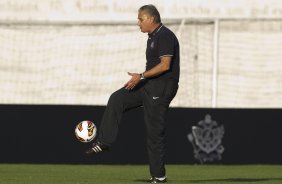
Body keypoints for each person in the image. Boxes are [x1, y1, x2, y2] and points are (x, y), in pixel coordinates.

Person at [85, 4, 180, 183]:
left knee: (154, 133)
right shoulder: (152, 37)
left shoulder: (165, 35)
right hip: (149, 84)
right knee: (117, 98)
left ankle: (159, 177)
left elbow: (165, 65)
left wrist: (141, 76)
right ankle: (104, 142)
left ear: (151, 19)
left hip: (162, 87)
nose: (138, 23)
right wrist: (140, 79)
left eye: (140, 19)